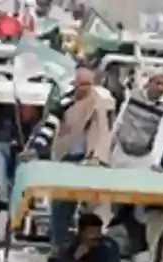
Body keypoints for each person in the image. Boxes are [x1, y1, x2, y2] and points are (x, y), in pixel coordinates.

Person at [46, 68, 113, 248]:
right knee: (60, 205)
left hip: (85, 162)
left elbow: (100, 134)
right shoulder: (66, 101)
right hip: (65, 159)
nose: (85, 88)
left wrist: (95, 158)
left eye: (88, 84)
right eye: (82, 84)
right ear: (75, 83)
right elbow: (54, 123)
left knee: (88, 208)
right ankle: (59, 243)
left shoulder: (96, 104)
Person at [108, 69, 163, 171]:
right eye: (158, 83)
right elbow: (120, 119)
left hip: (143, 157)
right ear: (149, 82)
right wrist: (109, 143)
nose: (161, 88)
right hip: (120, 151)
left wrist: (155, 161)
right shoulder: (132, 95)